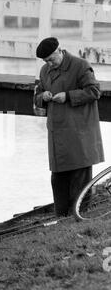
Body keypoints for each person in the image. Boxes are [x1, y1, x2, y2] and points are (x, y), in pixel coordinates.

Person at [34, 37, 104, 217]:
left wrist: (68, 96)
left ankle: (80, 214)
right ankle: (62, 217)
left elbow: (94, 91)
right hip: (57, 134)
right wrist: (44, 96)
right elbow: (37, 95)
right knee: (58, 179)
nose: (49, 64)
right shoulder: (44, 71)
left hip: (78, 133)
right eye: (46, 61)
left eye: (51, 59)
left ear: (60, 50)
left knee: (80, 177)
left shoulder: (80, 66)